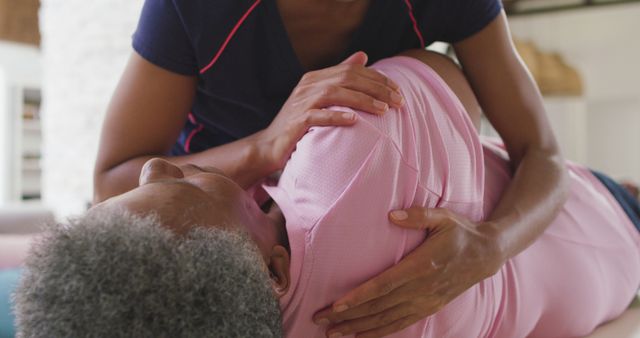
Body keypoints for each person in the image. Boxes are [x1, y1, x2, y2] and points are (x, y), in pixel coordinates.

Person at [15, 51, 639, 337]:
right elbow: (448, 79)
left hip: (596, 278)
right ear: (274, 268)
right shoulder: (350, 159)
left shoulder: (246, 310)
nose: (160, 166)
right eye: (188, 187)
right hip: (600, 218)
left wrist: (256, 161)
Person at [93, 2, 569, 334]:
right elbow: (112, 182)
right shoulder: (197, 9)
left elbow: (543, 154)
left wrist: (490, 249)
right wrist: (263, 148)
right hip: (216, 240)